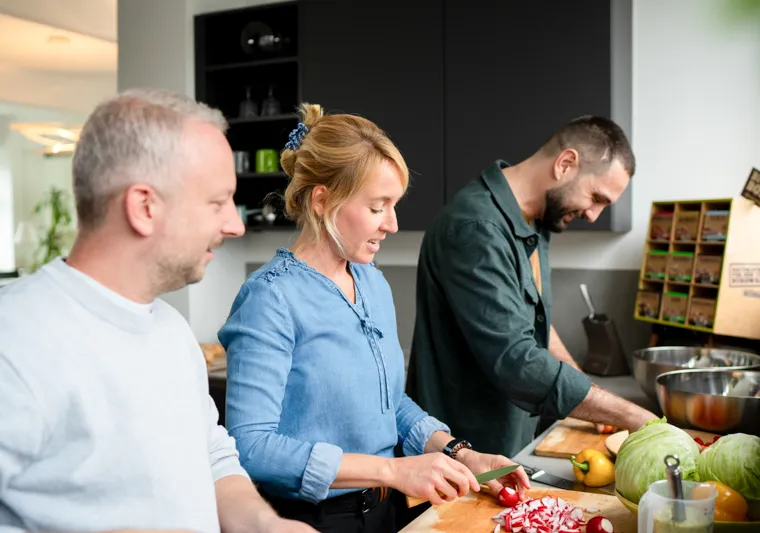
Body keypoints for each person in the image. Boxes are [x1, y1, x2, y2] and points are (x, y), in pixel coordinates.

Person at [0, 89, 314, 533]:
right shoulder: (16, 342)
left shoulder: (169, 328)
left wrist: (265, 525)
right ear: (144, 207)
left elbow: (212, 455)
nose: (235, 224)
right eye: (217, 202)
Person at [218, 103, 530, 533]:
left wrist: (460, 452)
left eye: (394, 205)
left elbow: (388, 403)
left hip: (387, 512)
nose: (394, 224)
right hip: (312, 521)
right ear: (323, 200)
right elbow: (250, 447)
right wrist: (392, 471)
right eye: (378, 206)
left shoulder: (372, 283)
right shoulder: (270, 297)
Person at [406, 116, 660, 459]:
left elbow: (531, 321)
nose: (594, 215)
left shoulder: (536, 220)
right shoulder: (475, 228)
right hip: (464, 449)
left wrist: (589, 391)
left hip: (510, 440)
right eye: (596, 197)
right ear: (565, 163)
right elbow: (516, 360)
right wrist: (633, 415)